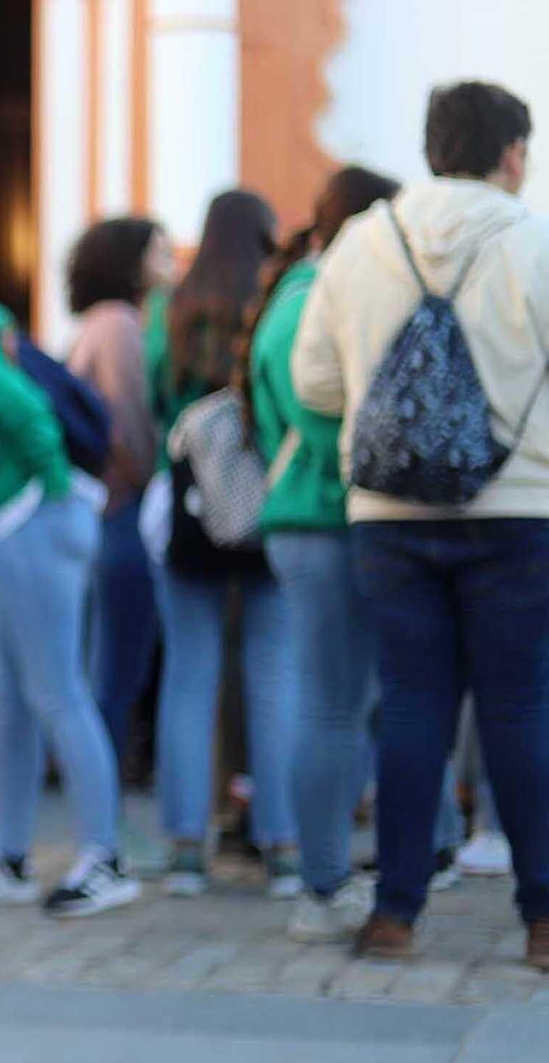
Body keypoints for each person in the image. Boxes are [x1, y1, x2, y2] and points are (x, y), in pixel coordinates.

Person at [293, 80, 549, 969]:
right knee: (519, 704)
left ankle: (394, 913)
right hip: (518, 509)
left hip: (387, 511)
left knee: (409, 704)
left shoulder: (366, 240)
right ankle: (544, 920)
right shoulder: (534, 238)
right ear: (512, 153)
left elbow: (315, 382)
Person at [0, 284, 138, 917]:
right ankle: (10, 855)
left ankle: (106, 856)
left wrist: (49, 490)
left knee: (54, 692)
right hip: (22, 521)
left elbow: (24, 412)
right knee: (13, 698)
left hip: (31, 517)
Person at [240, 166, 400, 941]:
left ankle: (333, 871)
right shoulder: (316, 295)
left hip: (310, 516)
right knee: (334, 703)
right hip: (322, 514)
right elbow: (318, 404)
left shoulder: (301, 289)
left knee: (339, 700)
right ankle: (324, 882)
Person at [147, 190, 301, 899]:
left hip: (189, 502)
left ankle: (186, 847)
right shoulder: (272, 303)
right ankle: (281, 844)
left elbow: (154, 400)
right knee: (273, 671)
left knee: (189, 673)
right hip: (265, 498)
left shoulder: (172, 308)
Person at [65, 217, 175, 764]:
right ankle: (102, 807)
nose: (171, 256)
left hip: (98, 509)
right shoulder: (120, 325)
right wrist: (156, 473)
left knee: (106, 662)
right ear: (131, 262)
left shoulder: (93, 323)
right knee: (117, 669)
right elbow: (130, 424)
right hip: (123, 509)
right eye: (159, 248)